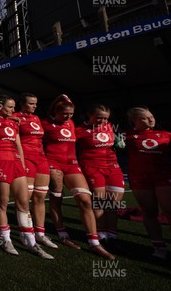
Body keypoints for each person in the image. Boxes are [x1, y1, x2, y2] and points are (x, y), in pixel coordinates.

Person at [42, 94, 114, 260]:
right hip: (53, 164)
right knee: (56, 200)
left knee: (85, 201)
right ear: (56, 112)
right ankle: (63, 234)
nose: (68, 117)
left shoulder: (72, 124)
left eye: (71, 114)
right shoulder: (46, 123)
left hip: (72, 165)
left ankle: (94, 242)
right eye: (65, 114)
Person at [0, 95, 53, 259]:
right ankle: (6, 240)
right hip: (1, 161)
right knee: (2, 202)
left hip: (16, 163)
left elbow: (19, 145)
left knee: (23, 203)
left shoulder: (13, 122)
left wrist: (22, 164)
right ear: (0, 106)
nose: (12, 110)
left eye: (13, 107)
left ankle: (31, 242)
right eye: (9, 107)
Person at [75, 104, 125, 252]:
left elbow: (120, 141)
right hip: (93, 168)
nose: (102, 121)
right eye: (99, 118)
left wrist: (120, 142)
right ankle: (102, 236)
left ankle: (112, 236)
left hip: (113, 168)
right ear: (89, 116)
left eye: (105, 118)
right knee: (100, 203)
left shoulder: (110, 126)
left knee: (113, 204)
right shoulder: (79, 131)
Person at [13, 93, 58, 249]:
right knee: (26, 198)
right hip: (26, 158)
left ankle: (40, 234)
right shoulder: (15, 117)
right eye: (31, 104)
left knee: (40, 197)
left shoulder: (36, 118)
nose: (34, 106)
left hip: (41, 159)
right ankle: (25, 232)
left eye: (35, 104)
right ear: (22, 104)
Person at [125, 106, 171, 259]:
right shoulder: (126, 136)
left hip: (163, 177)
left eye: (151, 116)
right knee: (150, 212)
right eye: (145, 118)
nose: (151, 119)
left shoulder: (166, 135)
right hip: (140, 179)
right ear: (134, 120)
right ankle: (159, 247)